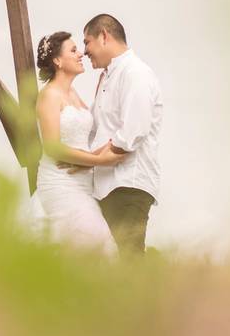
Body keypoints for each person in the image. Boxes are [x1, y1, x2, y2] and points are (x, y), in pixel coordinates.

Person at [77, 14, 163, 255]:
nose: (85, 51)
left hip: (128, 185)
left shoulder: (135, 73)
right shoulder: (107, 76)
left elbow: (133, 132)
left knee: (129, 259)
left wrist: (88, 161)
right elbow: (96, 127)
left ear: (104, 36)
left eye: (87, 42)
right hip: (105, 185)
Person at [34, 31, 123, 256]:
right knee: (94, 239)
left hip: (84, 184)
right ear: (57, 61)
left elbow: (85, 140)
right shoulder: (49, 96)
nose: (80, 53)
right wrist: (98, 161)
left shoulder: (73, 93)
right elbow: (52, 147)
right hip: (60, 181)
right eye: (73, 50)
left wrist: (107, 150)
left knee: (86, 247)